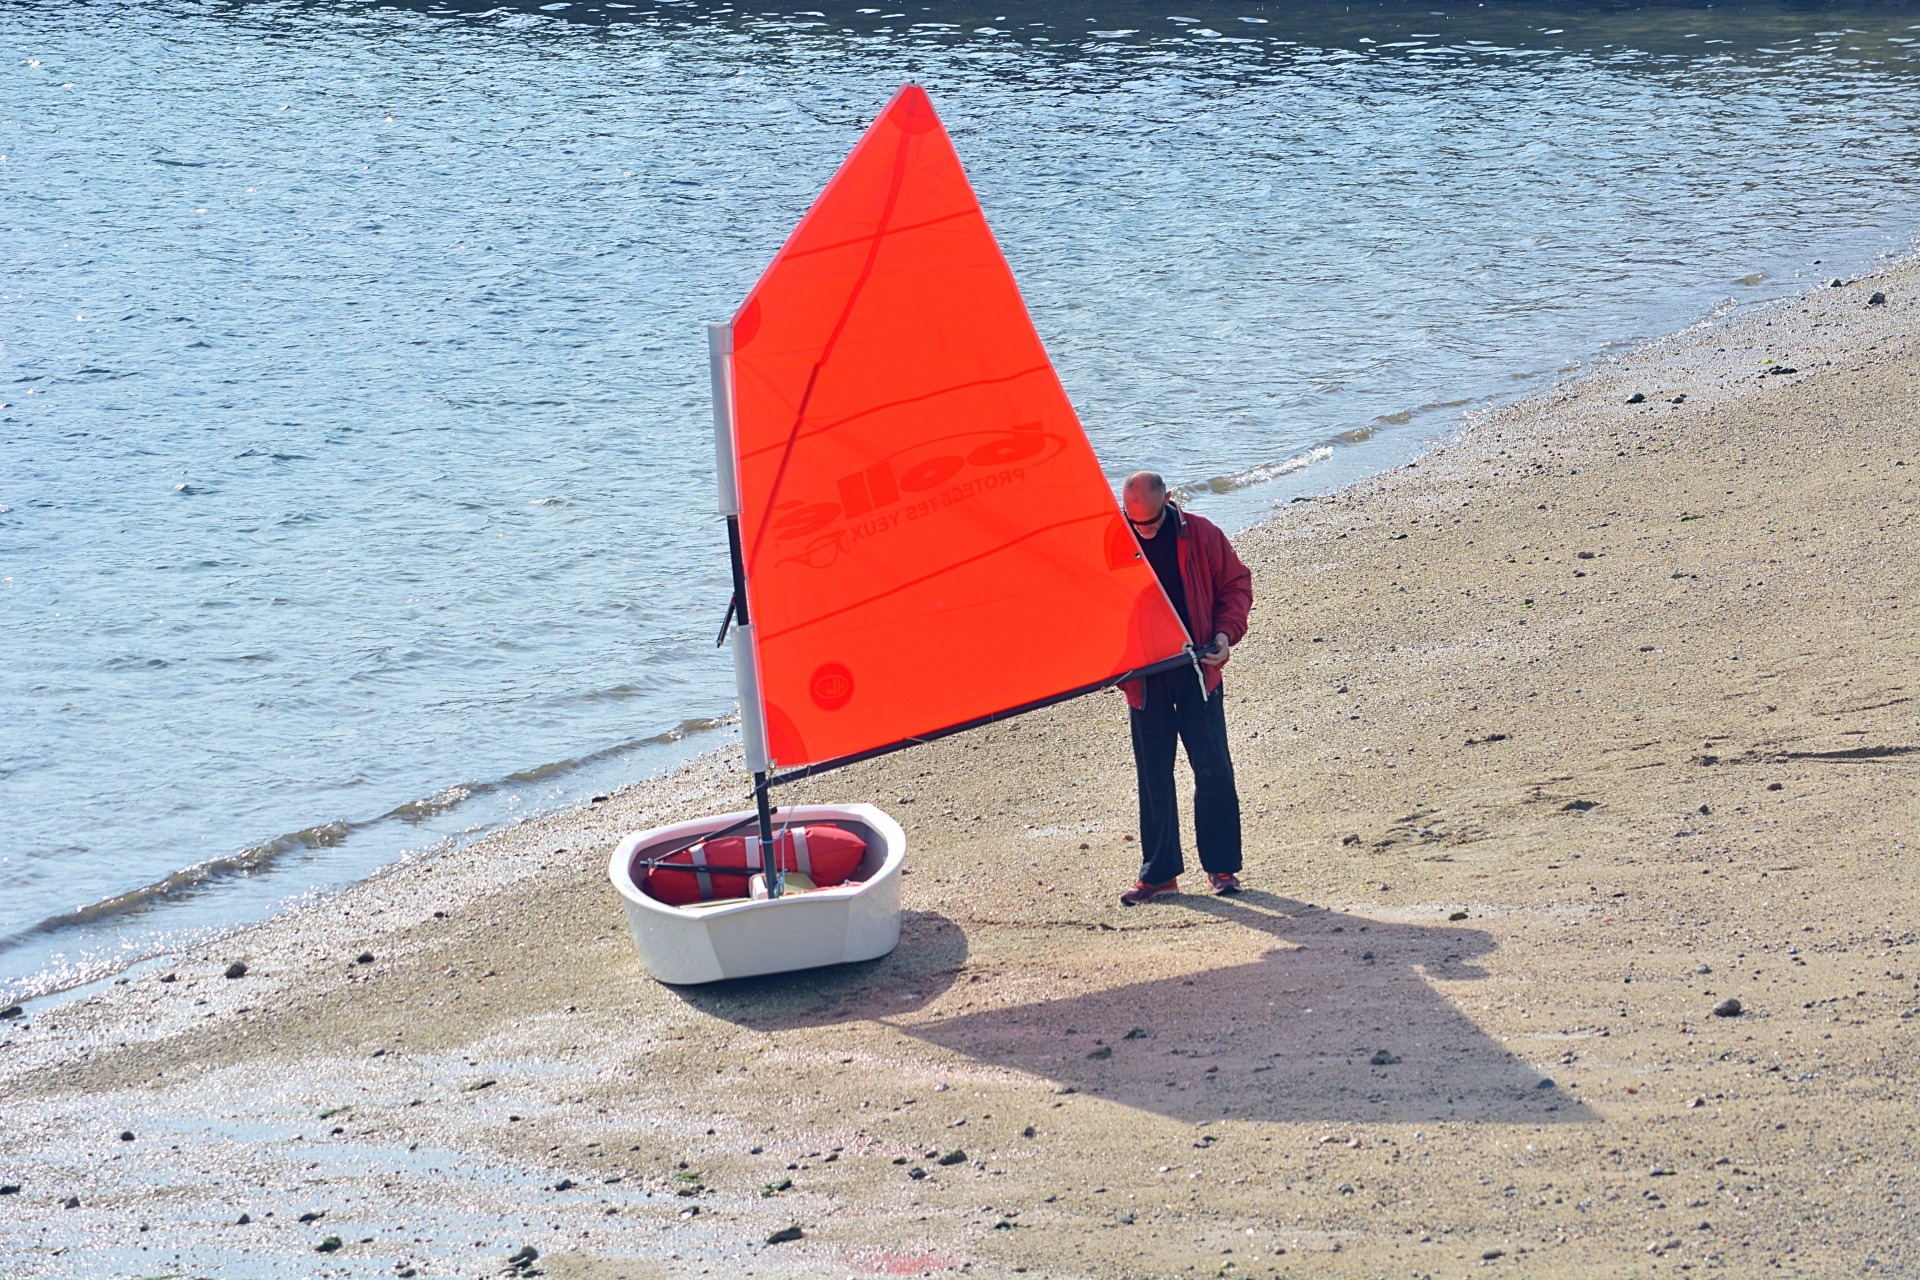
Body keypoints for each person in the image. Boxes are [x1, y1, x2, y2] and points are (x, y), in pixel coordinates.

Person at [1116, 471, 1253, 905]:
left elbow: (1236, 585)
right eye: (1136, 524)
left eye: (1152, 523)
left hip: (1198, 668)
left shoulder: (1202, 534)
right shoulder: (1116, 542)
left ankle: (1221, 867)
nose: (1145, 531)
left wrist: (1225, 637)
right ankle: (1159, 875)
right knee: (1153, 776)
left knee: (1213, 769)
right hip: (1145, 678)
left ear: (1169, 500)